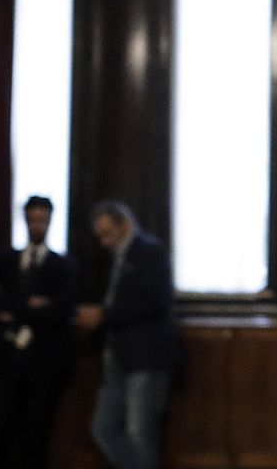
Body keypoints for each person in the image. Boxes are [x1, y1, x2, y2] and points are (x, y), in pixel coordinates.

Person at [75, 200, 182, 469]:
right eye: (99, 236)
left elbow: (155, 301)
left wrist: (104, 316)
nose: (103, 242)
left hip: (146, 357)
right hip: (117, 355)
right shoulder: (115, 257)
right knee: (103, 428)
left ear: (125, 224)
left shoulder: (149, 252)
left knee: (140, 432)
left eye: (108, 233)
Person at [0, 195, 76, 469]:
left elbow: (62, 308)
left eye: (42, 220)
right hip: (3, 359)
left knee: (36, 431)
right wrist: (33, 304)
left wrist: (14, 306)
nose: (37, 226)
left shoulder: (64, 266)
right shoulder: (3, 261)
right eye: (32, 220)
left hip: (43, 363)